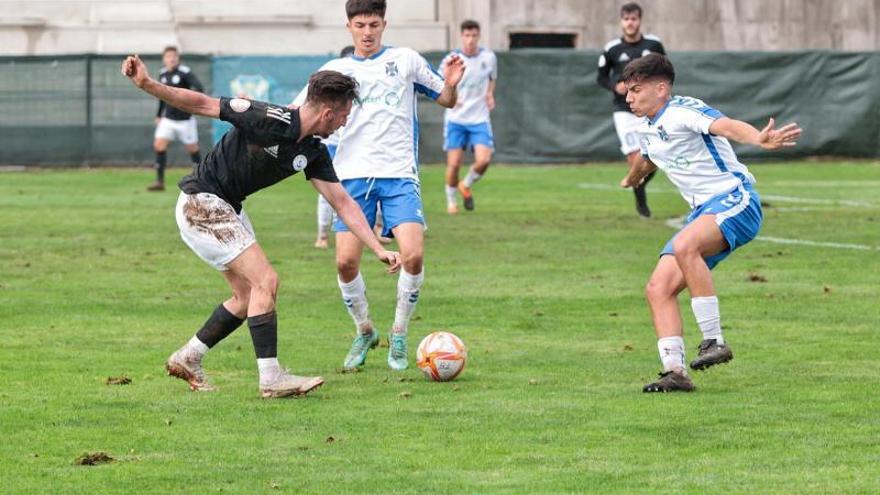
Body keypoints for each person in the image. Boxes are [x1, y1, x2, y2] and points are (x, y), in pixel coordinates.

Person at [120, 54, 401, 398]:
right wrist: (148, 84)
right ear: (328, 112)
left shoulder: (313, 151)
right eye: (344, 115)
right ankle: (271, 379)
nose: (344, 122)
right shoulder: (266, 117)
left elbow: (341, 201)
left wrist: (377, 247)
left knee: (248, 295)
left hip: (226, 208)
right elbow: (203, 103)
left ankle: (188, 357)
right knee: (266, 280)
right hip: (202, 202)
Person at [294, 0, 465, 371]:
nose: (367, 32)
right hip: (351, 177)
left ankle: (399, 334)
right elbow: (296, 114)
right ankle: (365, 330)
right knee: (344, 263)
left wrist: (451, 84)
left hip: (400, 174)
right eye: (360, 25)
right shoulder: (334, 70)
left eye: (373, 24)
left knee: (414, 255)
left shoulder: (406, 60)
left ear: (384, 24)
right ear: (349, 27)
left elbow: (447, 100)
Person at [618, 54, 801, 392]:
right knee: (658, 289)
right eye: (627, 92)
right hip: (704, 213)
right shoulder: (648, 127)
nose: (629, 98)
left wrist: (759, 138)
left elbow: (727, 126)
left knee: (686, 245)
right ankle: (675, 371)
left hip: (735, 199)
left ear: (660, 88)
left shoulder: (684, 111)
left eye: (635, 90)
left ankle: (714, 340)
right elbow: (647, 160)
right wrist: (631, 178)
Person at [597, 3, 665, 217]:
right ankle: (641, 200)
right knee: (635, 158)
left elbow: (665, 71)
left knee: (659, 154)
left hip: (650, 109)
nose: (630, 23)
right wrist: (613, 87)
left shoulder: (654, 44)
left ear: (639, 20)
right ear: (621, 21)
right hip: (624, 110)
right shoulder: (612, 48)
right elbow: (600, 77)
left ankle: (639, 183)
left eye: (634, 18)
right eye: (626, 19)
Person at [441, 19, 497, 214]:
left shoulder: (489, 57)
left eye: (474, 35)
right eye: (467, 35)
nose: (470, 40)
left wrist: (490, 94)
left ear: (478, 36)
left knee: (484, 160)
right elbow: (442, 84)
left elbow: (492, 78)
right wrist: (451, 98)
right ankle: (451, 201)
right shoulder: (452, 59)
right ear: (462, 36)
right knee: (454, 163)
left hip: (479, 118)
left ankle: (465, 184)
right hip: (456, 119)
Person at [315, 45, 356, 249]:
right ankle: (322, 234)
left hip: (353, 148)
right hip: (331, 146)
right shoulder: (328, 93)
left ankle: (375, 227)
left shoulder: (357, 94)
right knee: (328, 192)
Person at [148, 46, 205, 192]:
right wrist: (158, 115)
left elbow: (199, 88)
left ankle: (203, 180)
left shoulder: (184, 72)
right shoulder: (162, 74)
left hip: (185, 120)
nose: (171, 59)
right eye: (168, 56)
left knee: (193, 149)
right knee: (159, 145)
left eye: (174, 56)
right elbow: (161, 97)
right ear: (164, 59)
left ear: (178, 58)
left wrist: (188, 101)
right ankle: (159, 182)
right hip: (168, 119)